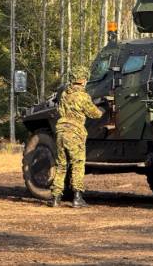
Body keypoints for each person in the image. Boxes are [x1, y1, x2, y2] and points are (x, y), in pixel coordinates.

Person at [49, 65, 103, 208]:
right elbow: (95, 113)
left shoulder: (65, 94)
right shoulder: (83, 96)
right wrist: (101, 109)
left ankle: (55, 198)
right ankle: (77, 197)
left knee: (61, 165)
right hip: (75, 133)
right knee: (77, 164)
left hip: (61, 131)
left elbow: (60, 110)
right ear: (84, 80)